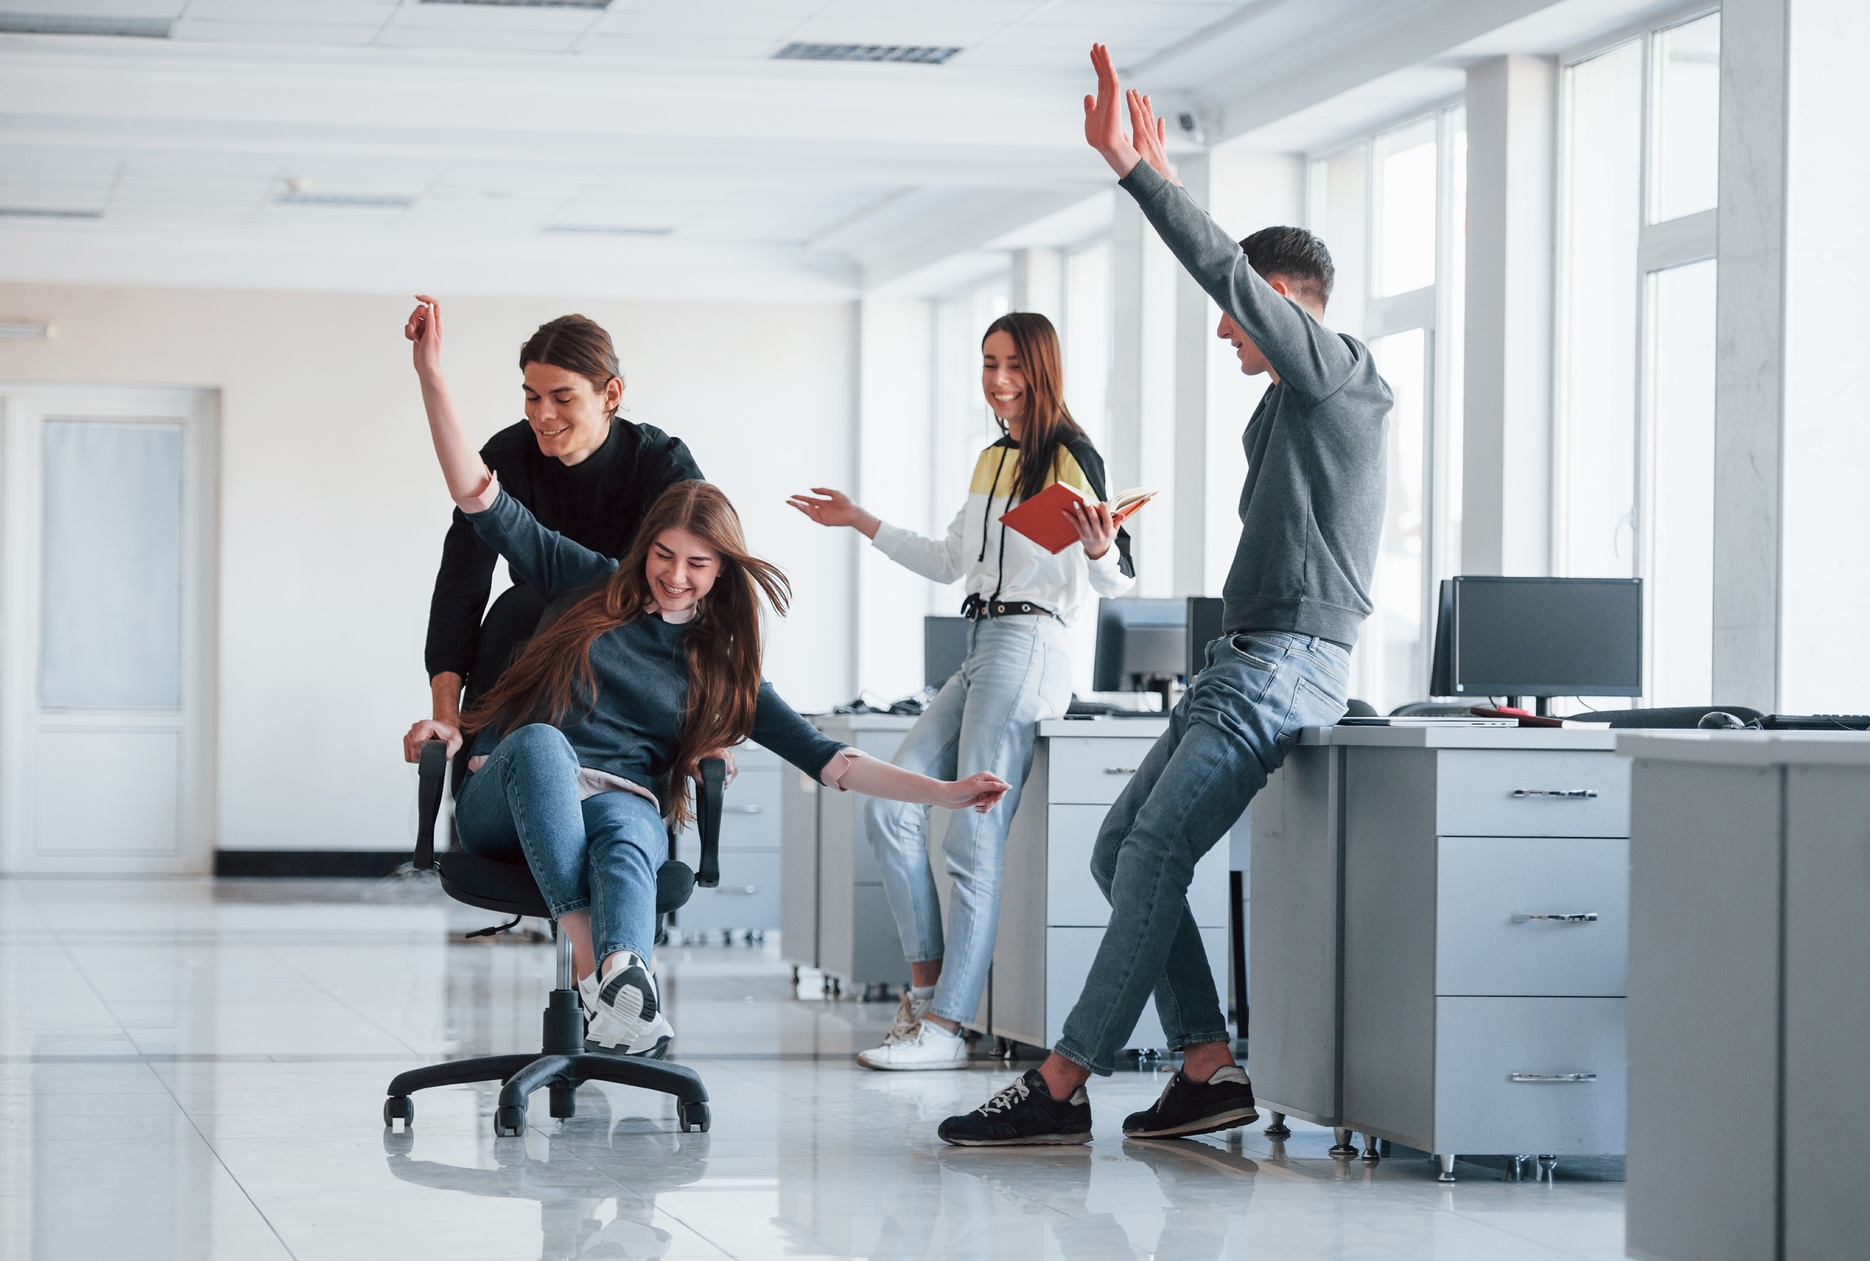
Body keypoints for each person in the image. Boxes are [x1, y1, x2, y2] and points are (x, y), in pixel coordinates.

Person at [938, 45, 1391, 1145]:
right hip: (1245, 655)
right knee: (1116, 850)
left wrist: (1142, 173)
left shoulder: (1338, 373)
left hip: (1283, 660)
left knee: (1147, 852)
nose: (1227, 331)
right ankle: (1205, 1065)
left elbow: (1226, 276)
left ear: (1285, 305)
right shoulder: (1278, 414)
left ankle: (1058, 1084)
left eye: (1244, 316)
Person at [401, 320, 1010, 1061]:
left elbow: (828, 759)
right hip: (513, 791)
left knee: (631, 832)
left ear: (722, 570)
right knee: (540, 743)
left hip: (614, 802)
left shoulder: (720, 664)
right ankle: (597, 970)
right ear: (640, 549)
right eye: (661, 555)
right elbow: (477, 497)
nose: (674, 575)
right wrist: (432, 374)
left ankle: (626, 982)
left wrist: (943, 793)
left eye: (696, 563)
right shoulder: (587, 578)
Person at [789, 312, 1136, 1071]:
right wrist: (860, 520)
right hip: (978, 643)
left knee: (973, 840)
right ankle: (925, 1000)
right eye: (987, 363)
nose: (998, 379)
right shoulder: (991, 459)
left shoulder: (1073, 456)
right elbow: (952, 560)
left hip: (1032, 644)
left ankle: (947, 1029)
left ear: (1042, 369)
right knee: (889, 803)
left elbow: (1115, 574)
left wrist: (1102, 547)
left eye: (1013, 364)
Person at [412, 297, 704, 785]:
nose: (543, 415)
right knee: (518, 610)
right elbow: (459, 588)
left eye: (562, 398)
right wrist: (447, 716)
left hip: (629, 654)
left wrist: (707, 731)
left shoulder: (662, 464)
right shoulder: (506, 455)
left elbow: (704, 589)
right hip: (530, 644)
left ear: (610, 393)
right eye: (531, 396)